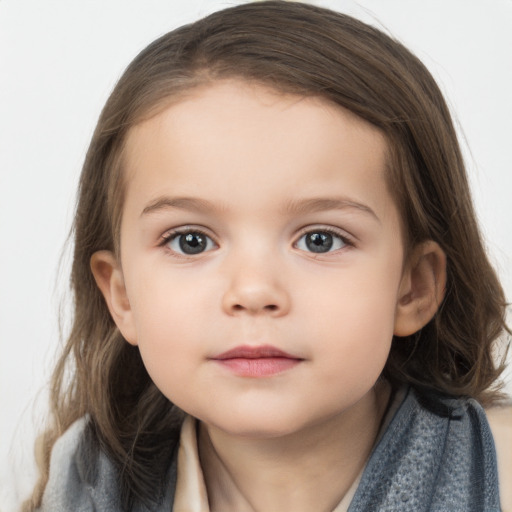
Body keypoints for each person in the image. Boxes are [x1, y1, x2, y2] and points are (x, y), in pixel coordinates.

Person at [25, 1, 509, 511]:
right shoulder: (87, 481)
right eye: (191, 240)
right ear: (121, 296)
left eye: (320, 239)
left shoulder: (499, 473)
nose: (253, 291)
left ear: (413, 286)